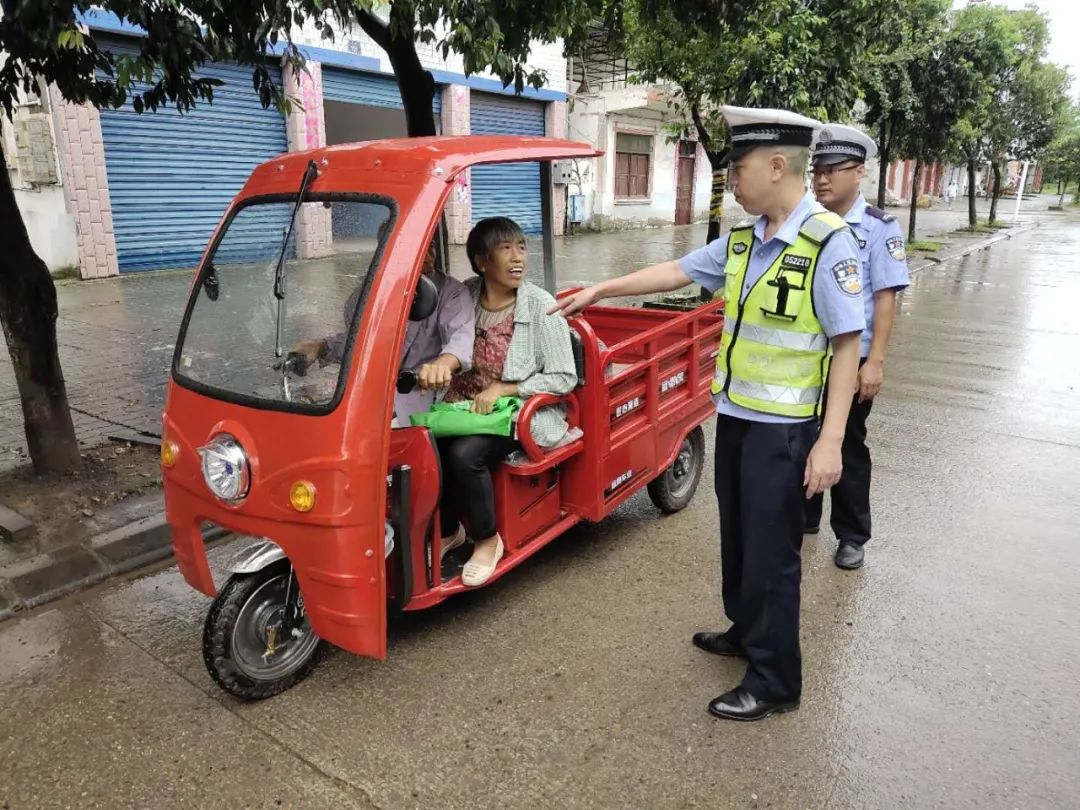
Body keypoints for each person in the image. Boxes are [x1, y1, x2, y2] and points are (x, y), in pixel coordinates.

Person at [551, 106, 865, 722]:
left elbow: (846, 347)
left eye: (740, 168)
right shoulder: (746, 238)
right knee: (740, 536)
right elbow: (675, 270)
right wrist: (600, 290)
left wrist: (830, 444)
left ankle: (776, 681)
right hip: (740, 416)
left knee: (774, 552)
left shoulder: (829, 242)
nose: (734, 180)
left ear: (778, 166)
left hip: (788, 429)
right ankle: (747, 632)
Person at [436, 217, 577, 587]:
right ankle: (450, 530)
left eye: (521, 247)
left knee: (465, 455)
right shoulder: (464, 295)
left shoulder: (540, 306)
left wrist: (504, 389)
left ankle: (487, 539)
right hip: (463, 407)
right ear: (482, 261)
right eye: (505, 248)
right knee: (422, 445)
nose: (518, 258)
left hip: (517, 414)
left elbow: (564, 378)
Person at [805, 124, 910, 570]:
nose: (822, 179)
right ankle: (805, 514)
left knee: (846, 443)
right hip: (809, 356)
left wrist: (876, 363)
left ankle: (851, 535)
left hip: (856, 357)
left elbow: (885, 298)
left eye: (833, 170)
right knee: (801, 436)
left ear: (859, 173)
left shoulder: (878, 228)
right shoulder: (807, 222)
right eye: (817, 171)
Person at [291, 237, 475, 424]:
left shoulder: (452, 292)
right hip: (372, 390)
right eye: (418, 250)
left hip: (419, 394)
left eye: (431, 248)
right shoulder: (380, 289)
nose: (428, 257)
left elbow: (461, 338)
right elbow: (363, 338)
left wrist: (443, 364)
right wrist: (321, 347)